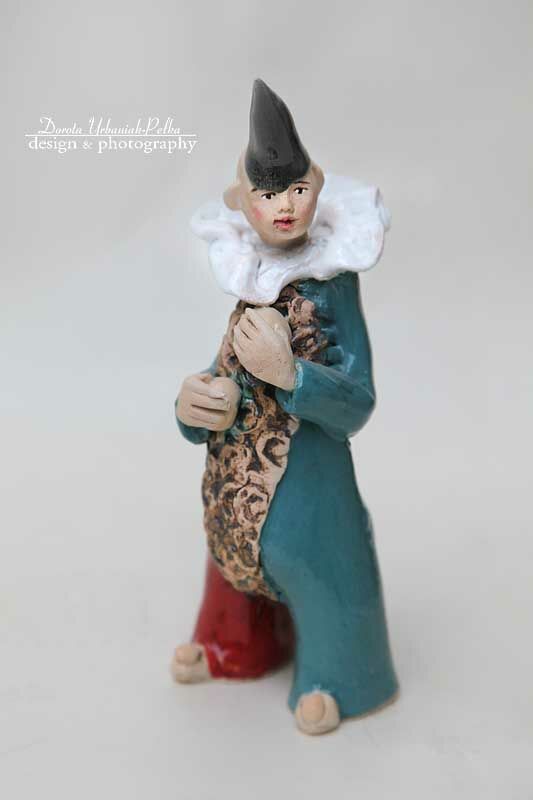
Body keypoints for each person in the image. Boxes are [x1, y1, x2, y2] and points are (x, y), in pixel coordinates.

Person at [171, 79, 398, 735]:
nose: (285, 206)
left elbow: (357, 400)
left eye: (297, 189)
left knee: (321, 566)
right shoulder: (250, 276)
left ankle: (341, 675)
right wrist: (195, 403)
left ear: (317, 187)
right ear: (242, 204)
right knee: (230, 554)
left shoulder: (333, 284)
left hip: (307, 486)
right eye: (268, 194)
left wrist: (292, 374)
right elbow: (224, 368)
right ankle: (234, 645)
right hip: (238, 482)